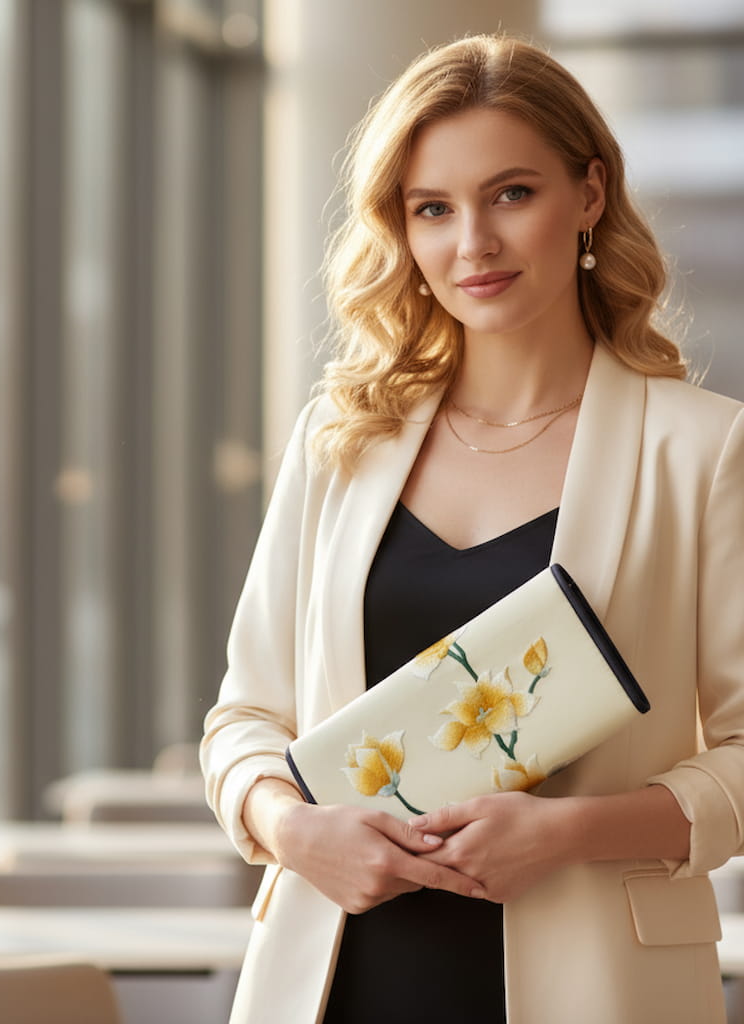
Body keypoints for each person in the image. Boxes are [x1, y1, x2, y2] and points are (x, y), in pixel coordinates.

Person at [199, 32, 744, 1024]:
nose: (472, 245)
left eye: (511, 194)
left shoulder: (700, 450)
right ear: (400, 231)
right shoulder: (341, 437)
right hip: (338, 973)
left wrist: (566, 831)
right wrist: (290, 828)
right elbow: (243, 721)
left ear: (588, 194)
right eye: (432, 209)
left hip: (595, 983)